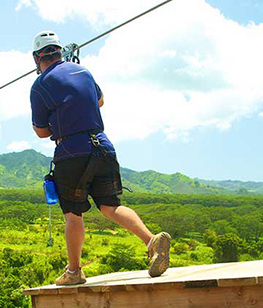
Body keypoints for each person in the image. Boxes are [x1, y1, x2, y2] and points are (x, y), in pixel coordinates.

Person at [29, 30, 171, 286]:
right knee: (109, 205)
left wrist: (58, 121)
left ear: (37, 58)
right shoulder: (83, 72)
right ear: (59, 52)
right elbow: (101, 100)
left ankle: (74, 272)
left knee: (73, 214)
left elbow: (41, 131)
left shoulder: (40, 85)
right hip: (102, 146)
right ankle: (151, 241)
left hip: (72, 152)